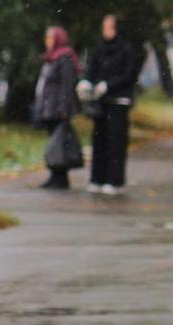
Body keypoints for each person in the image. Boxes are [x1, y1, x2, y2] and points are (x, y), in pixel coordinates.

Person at [79, 14, 136, 196]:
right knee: (99, 141)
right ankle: (97, 178)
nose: (106, 31)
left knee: (116, 143)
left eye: (110, 27)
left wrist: (109, 85)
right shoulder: (100, 50)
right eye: (105, 27)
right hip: (101, 103)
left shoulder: (126, 51)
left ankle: (115, 180)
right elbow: (93, 70)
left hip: (118, 102)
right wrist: (87, 82)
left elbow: (128, 76)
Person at [34, 26, 80, 190]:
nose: (47, 42)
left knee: (59, 143)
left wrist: (63, 108)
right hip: (49, 107)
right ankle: (55, 176)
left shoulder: (64, 58)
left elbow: (67, 85)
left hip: (58, 109)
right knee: (54, 143)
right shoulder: (51, 59)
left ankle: (61, 177)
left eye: (50, 39)